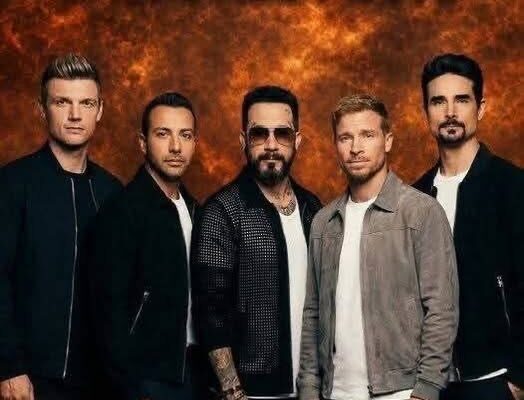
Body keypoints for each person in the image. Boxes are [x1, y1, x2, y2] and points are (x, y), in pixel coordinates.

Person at [298, 94, 459, 400]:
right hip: (335, 392)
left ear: (387, 141)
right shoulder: (323, 222)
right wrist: (308, 388)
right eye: (345, 137)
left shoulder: (421, 212)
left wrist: (425, 391)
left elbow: (442, 309)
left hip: (402, 391)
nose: (355, 147)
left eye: (367, 135)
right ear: (336, 145)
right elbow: (313, 313)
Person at [0, 54, 121, 400]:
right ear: (42, 109)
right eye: (62, 102)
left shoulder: (113, 192)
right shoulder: (12, 184)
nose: (75, 115)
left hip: (101, 382)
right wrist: (9, 367)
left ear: (99, 110)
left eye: (86, 103)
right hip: (31, 380)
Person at [192, 85, 322, 399]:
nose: (271, 145)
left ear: (298, 141)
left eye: (282, 134)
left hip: (313, 388)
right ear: (243, 141)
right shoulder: (222, 211)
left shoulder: (313, 208)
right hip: (253, 392)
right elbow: (210, 311)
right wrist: (232, 389)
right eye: (259, 134)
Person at [413, 53, 524, 400]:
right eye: (438, 101)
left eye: (461, 99)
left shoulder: (512, 186)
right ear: (426, 112)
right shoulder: (415, 197)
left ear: (481, 107)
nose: (450, 111)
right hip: (431, 384)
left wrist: (518, 380)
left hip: (496, 380)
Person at [88, 92, 207, 400]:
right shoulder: (122, 211)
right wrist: (131, 388)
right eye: (163, 134)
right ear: (143, 143)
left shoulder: (197, 210)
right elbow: (106, 313)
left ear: (195, 142)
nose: (176, 147)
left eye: (185, 135)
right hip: (148, 379)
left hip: (194, 372)